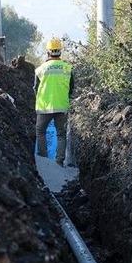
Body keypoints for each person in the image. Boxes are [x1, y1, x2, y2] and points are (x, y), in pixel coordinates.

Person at [34, 37, 74, 166]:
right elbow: (71, 88)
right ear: (60, 52)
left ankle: (44, 160)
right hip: (62, 106)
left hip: (44, 106)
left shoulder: (40, 69)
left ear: (48, 52)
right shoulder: (68, 68)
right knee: (61, 134)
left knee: (40, 132)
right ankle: (59, 162)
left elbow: (35, 88)